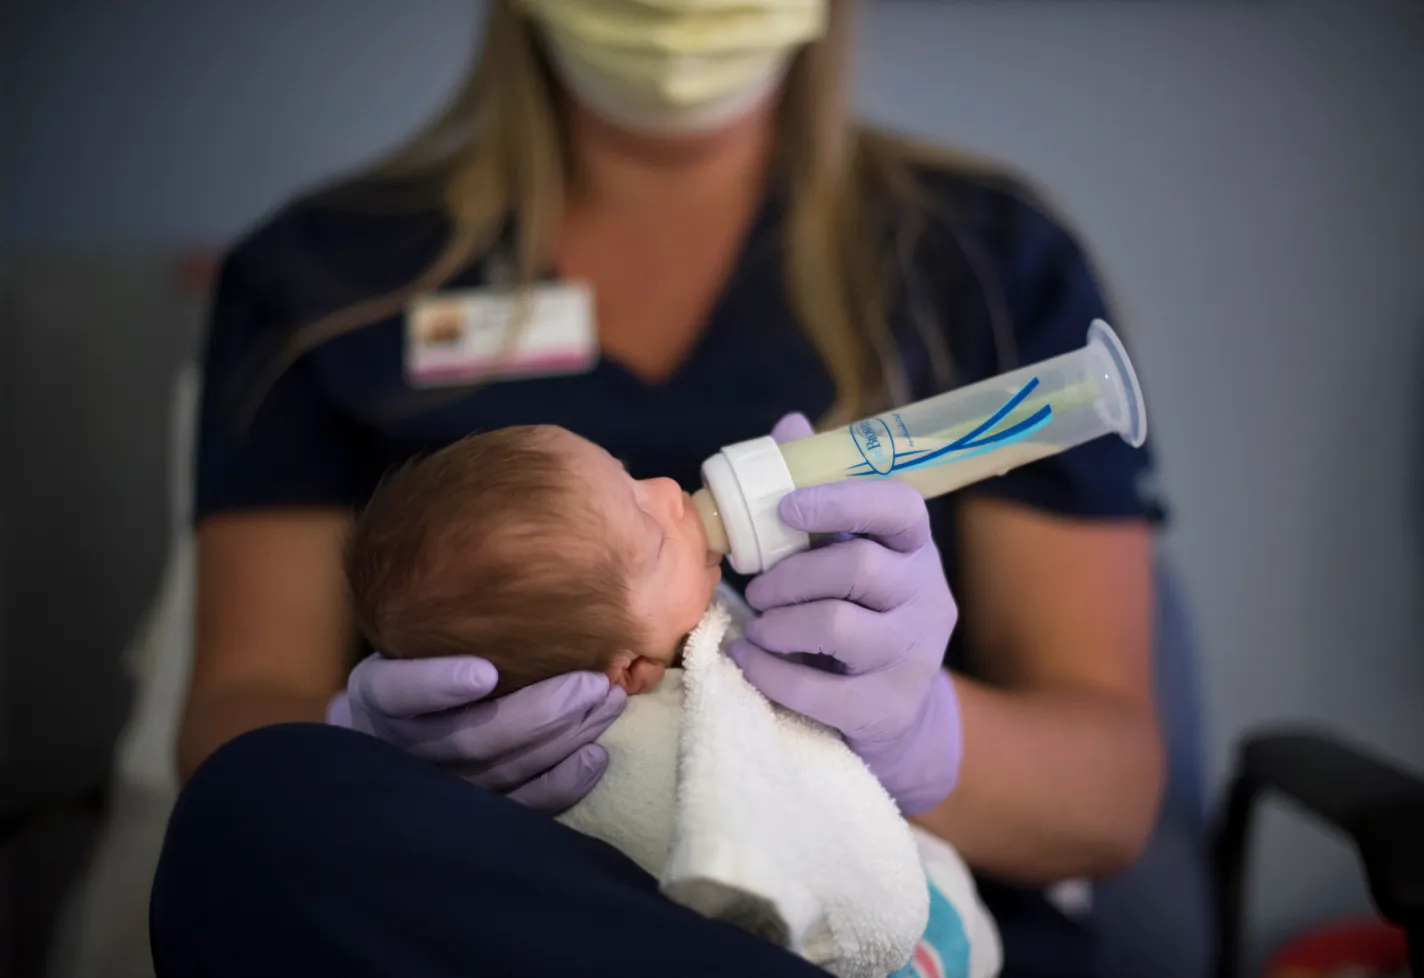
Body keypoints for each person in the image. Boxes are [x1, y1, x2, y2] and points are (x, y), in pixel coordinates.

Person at [160, 0, 1168, 974]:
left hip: (899, 940)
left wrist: (921, 737)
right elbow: (234, 719)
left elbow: (1111, 799)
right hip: (484, 913)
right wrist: (362, 750)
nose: (666, 489)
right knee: (244, 808)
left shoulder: (983, 262)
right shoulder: (322, 285)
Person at [345, 424, 722, 697]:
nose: (669, 488)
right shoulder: (672, 744)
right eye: (656, 539)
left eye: (627, 475)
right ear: (631, 670)